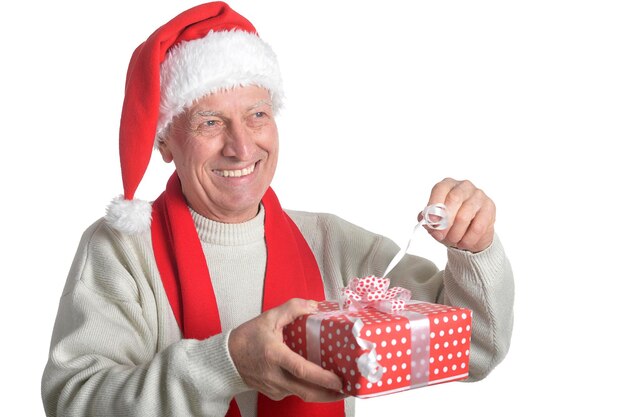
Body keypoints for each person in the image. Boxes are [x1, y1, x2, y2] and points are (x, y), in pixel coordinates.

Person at [41, 2, 514, 417]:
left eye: (257, 115)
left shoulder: (336, 245)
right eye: (210, 122)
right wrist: (225, 365)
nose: (242, 146)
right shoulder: (121, 251)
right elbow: (75, 403)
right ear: (165, 141)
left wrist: (475, 249)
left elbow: (473, 350)